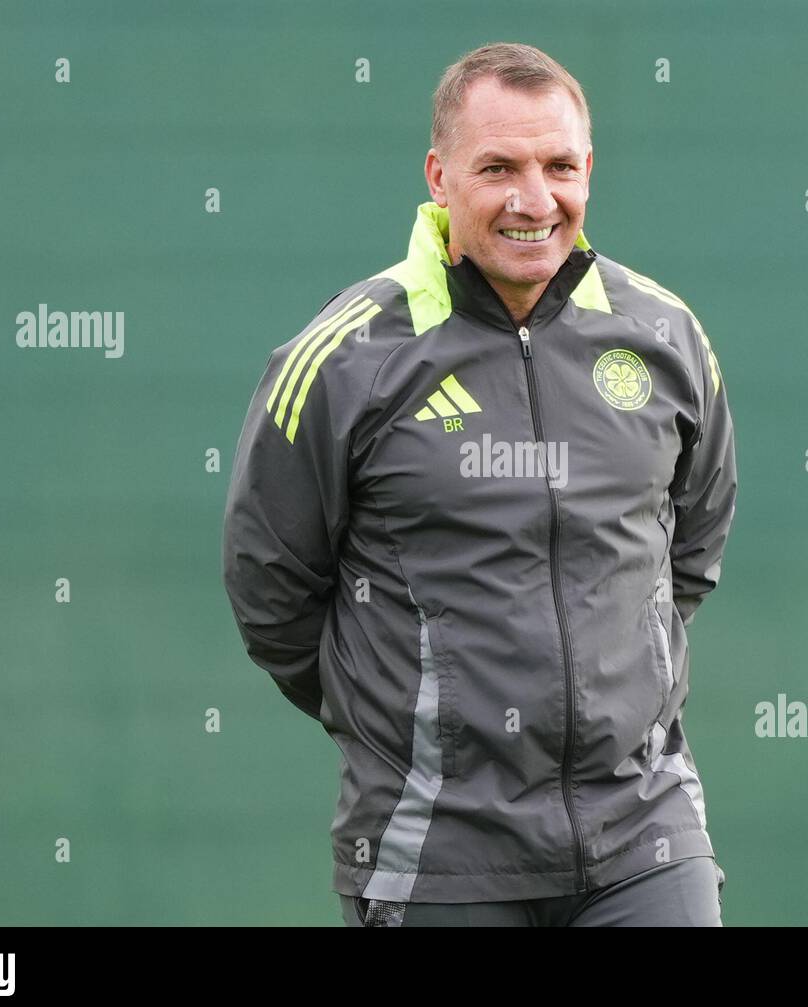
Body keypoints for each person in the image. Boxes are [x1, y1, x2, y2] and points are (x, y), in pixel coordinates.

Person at [221, 42, 737, 927]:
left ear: (588, 171)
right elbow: (271, 591)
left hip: (644, 839)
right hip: (437, 851)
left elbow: (689, 548)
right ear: (438, 175)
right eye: (498, 168)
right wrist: (414, 714)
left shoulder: (665, 333)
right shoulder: (347, 358)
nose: (534, 201)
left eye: (559, 167)